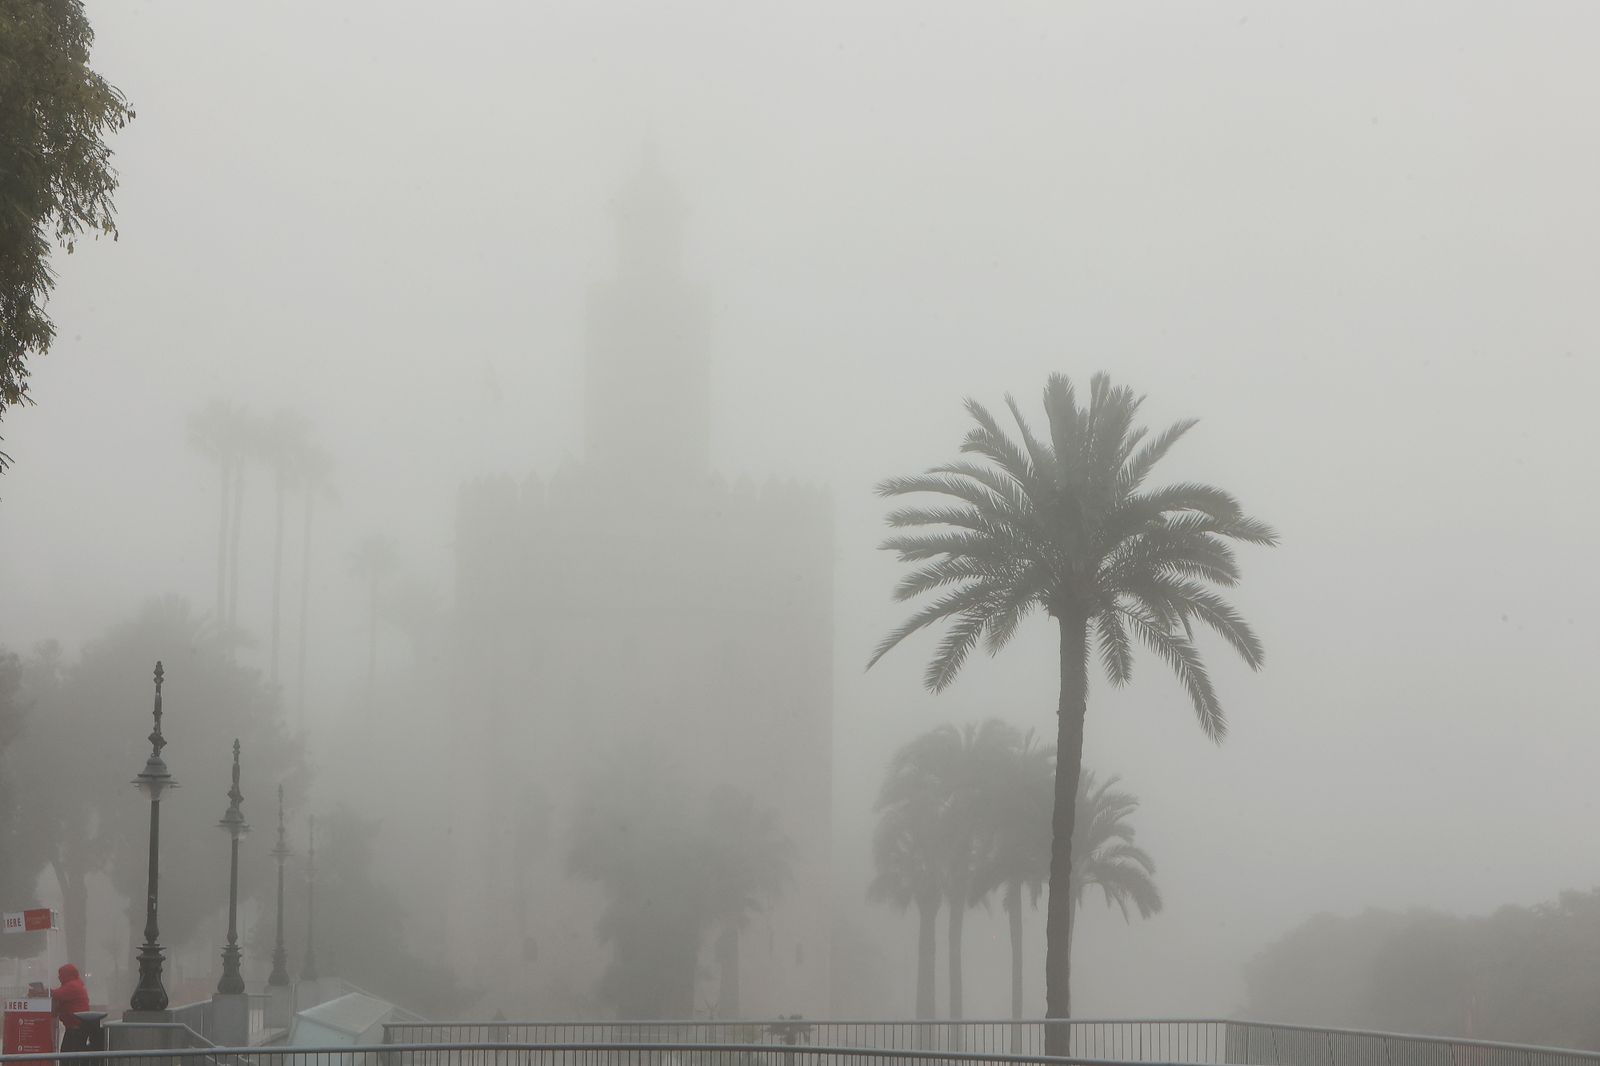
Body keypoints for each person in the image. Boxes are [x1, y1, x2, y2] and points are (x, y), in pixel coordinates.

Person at [50, 963, 91, 1054]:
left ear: (66, 974)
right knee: (69, 1052)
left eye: (60, 975)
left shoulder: (72, 985)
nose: (59, 977)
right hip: (76, 1027)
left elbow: (57, 994)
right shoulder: (75, 984)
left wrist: (44, 992)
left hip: (76, 1028)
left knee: (68, 1053)